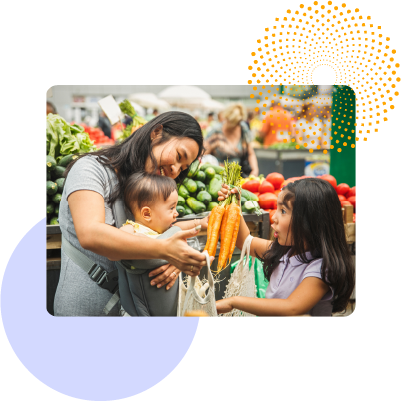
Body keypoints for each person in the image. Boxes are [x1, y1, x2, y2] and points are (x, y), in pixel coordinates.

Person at [54, 111, 207, 316]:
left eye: (183, 168)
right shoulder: (90, 170)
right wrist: (165, 250)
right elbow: (90, 234)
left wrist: (173, 260)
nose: (175, 170)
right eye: (179, 157)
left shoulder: (148, 187)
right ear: (156, 133)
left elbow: (163, 230)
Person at [215, 178, 355, 317]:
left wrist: (233, 302)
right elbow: (245, 242)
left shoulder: (322, 268)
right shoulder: (282, 252)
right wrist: (234, 205)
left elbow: (292, 307)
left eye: (283, 211)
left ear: (309, 222)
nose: (274, 217)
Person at [204, 103, 259, 177]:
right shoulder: (216, 131)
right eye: (232, 122)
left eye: (238, 123)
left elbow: (250, 153)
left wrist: (255, 170)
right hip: (217, 177)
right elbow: (203, 154)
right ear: (226, 118)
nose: (235, 126)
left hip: (238, 177)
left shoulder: (243, 128)